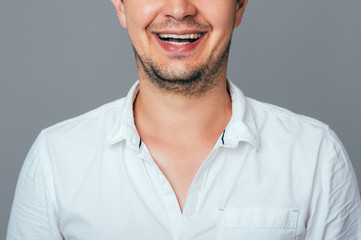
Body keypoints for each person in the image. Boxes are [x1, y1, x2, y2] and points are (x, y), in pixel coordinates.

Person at [7, 0, 361, 239]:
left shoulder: (316, 157)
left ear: (239, 6)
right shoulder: (55, 159)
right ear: (119, 5)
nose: (179, 9)